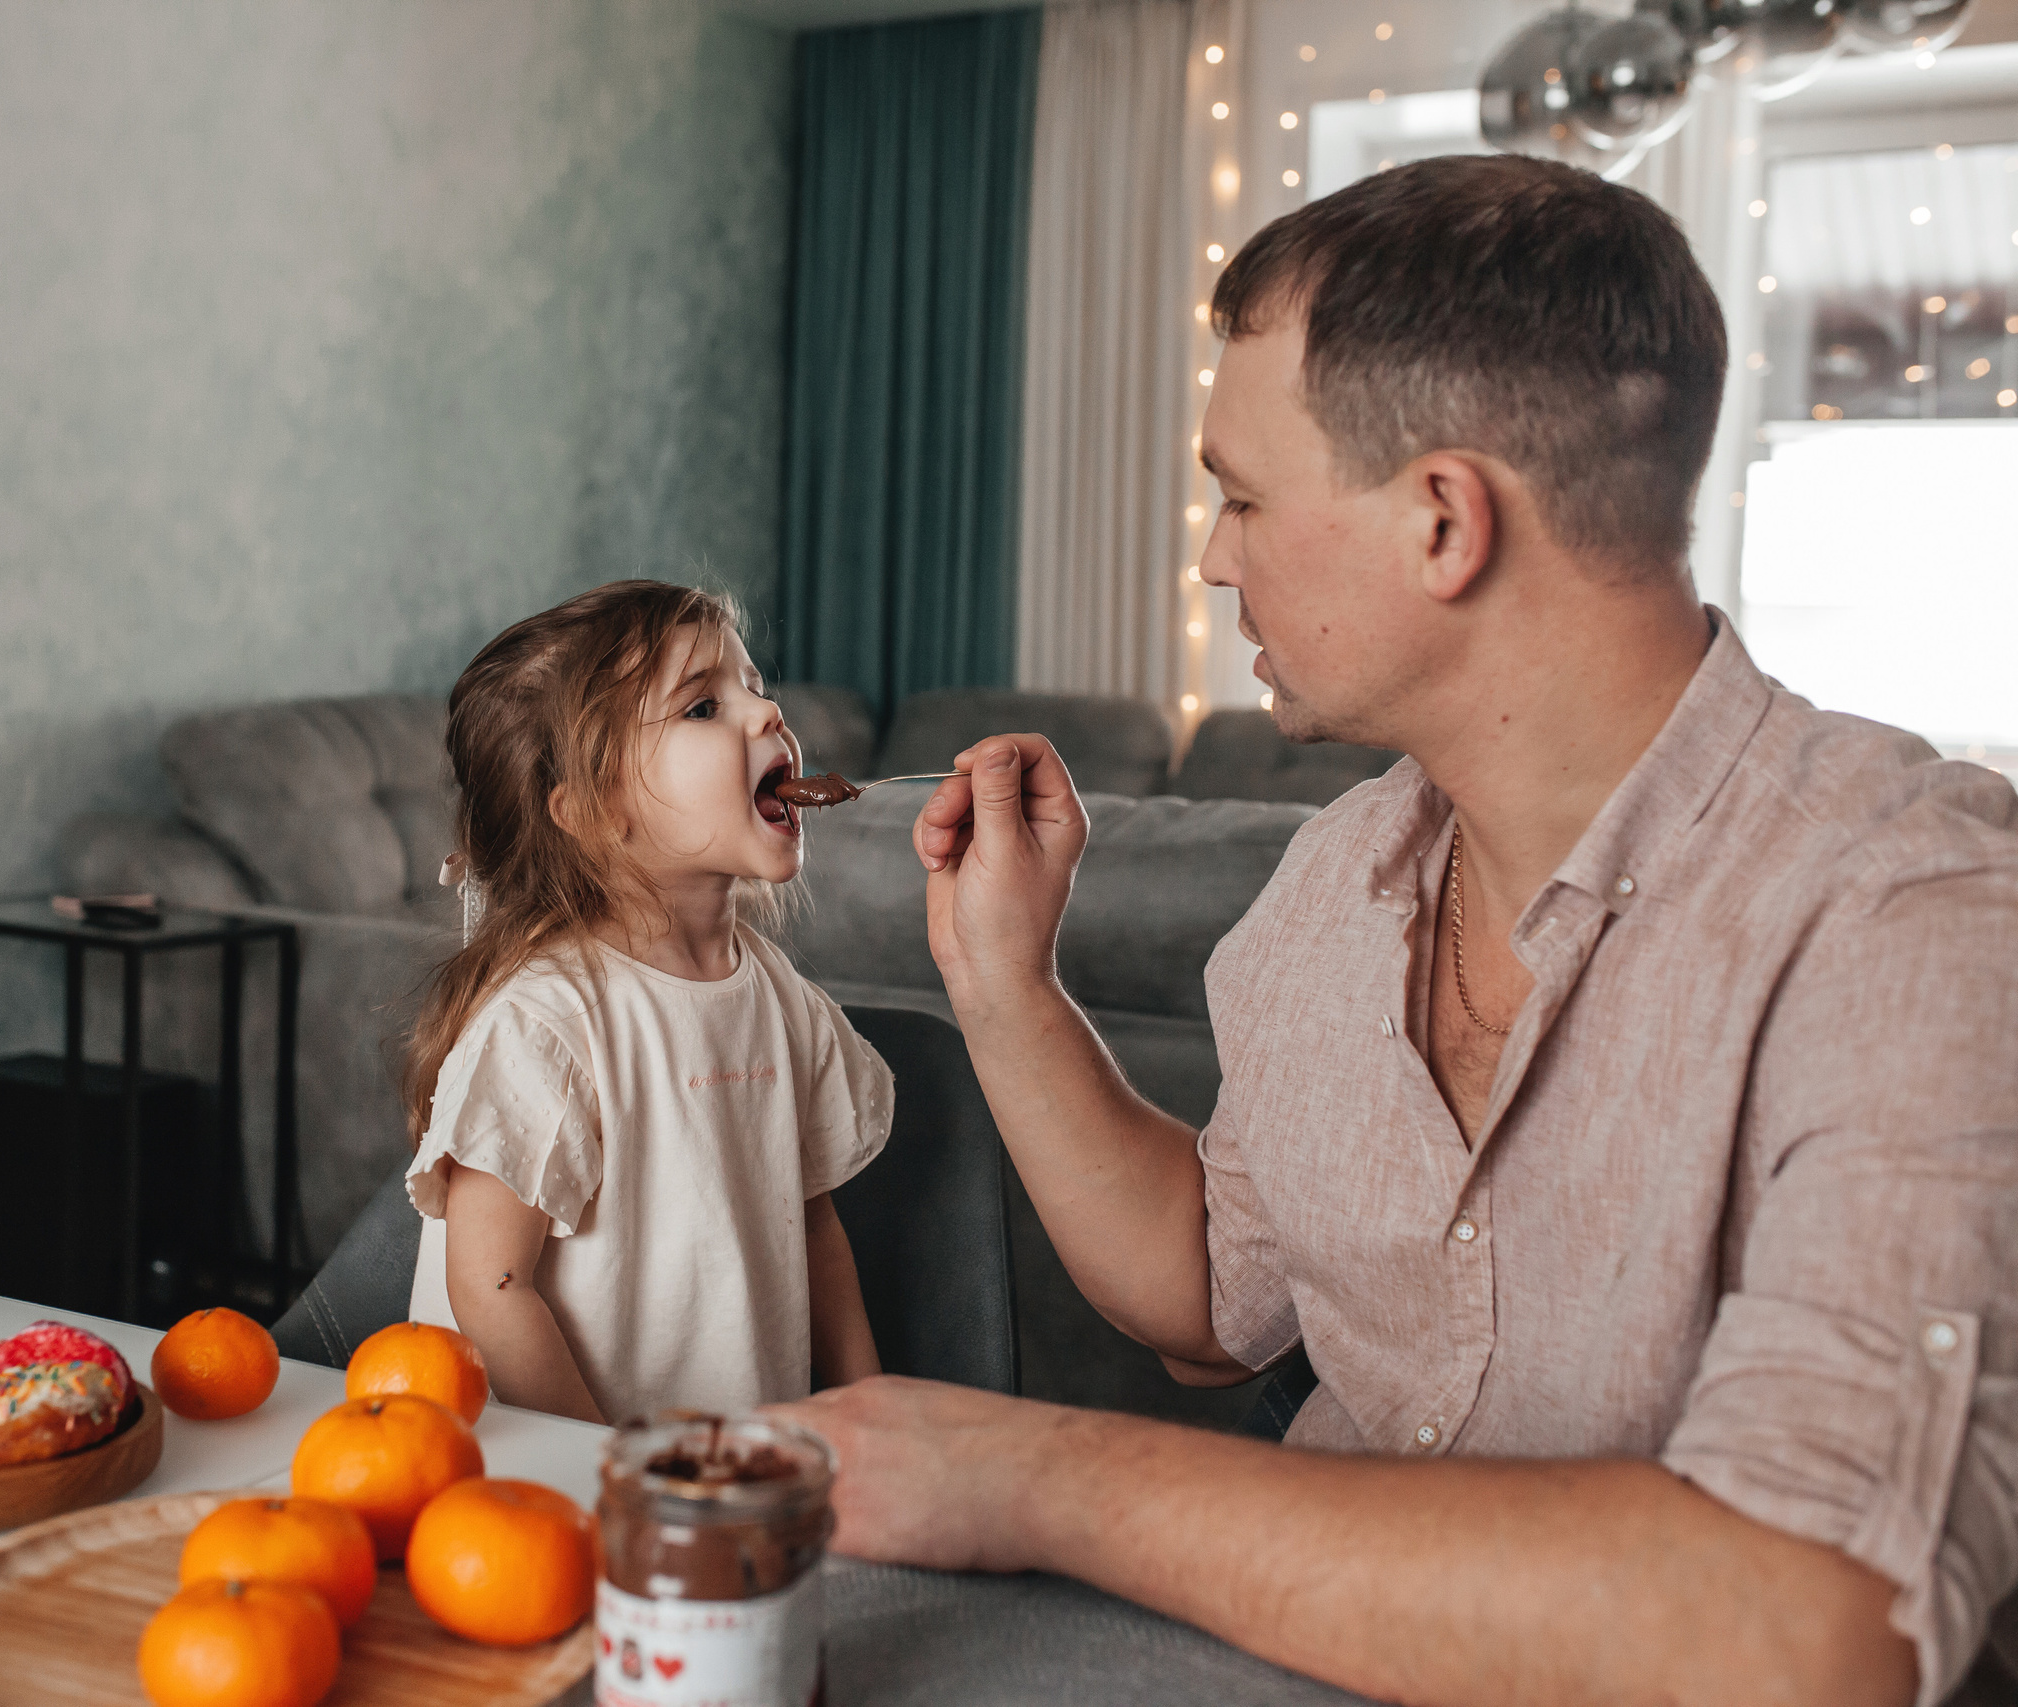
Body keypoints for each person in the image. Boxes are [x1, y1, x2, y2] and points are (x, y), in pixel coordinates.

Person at [768, 155, 2018, 1706]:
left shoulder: (1916, 914)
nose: (1215, 556)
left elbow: (1813, 1631)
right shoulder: (1340, 875)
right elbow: (1208, 1301)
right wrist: (1003, 978)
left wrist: (1029, 1474)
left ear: (1443, 523)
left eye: (1241, 496)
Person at [399, 579, 892, 1424]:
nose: (769, 712)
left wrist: (874, 1413)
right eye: (703, 706)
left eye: (755, 684)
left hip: (725, 1475)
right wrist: (612, 1468)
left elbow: (811, 1228)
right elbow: (491, 1286)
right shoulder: (548, 1023)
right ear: (596, 812)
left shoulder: (782, 998)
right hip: (557, 1478)